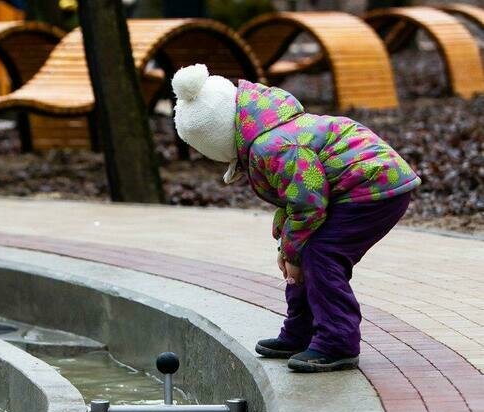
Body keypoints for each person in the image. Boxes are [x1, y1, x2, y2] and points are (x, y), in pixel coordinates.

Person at [171, 64, 421, 373]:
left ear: (217, 138)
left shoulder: (272, 145)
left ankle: (337, 342)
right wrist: (287, 247)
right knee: (305, 250)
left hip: (373, 187)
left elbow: (307, 202)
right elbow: (296, 197)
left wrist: (293, 251)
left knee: (320, 254)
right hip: (355, 187)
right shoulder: (271, 133)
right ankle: (301, 331)